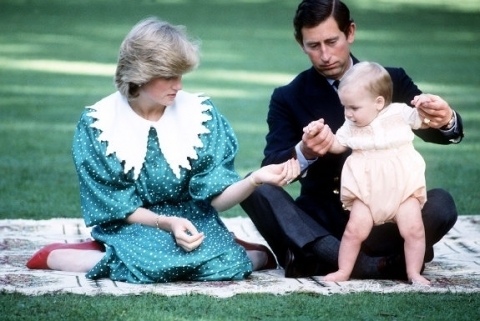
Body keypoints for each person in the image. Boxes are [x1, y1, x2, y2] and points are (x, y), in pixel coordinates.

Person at [26, 17, 301, 284]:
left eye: (181, 75)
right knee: (155, 265)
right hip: (133, 223)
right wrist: (166, 223)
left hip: (193, 219)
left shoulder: (200, 116)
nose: (179, 85)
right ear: (140, 75)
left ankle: (220, 247)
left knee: (232, 265)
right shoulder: (100, 123)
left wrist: (254, 179)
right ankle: (80, 254)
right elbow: (115, 205)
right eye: (169, 76)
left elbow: (215, 199)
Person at [240, 0, 464, 280]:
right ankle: (371, 264)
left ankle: (323, 261)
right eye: (313, 45)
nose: (325, 55)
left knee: (442, 202)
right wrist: (305, 151)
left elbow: (435, 130)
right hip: (323, 225)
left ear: (350, 32)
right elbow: (271, 166)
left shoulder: (390, 80)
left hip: (390, 217)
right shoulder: (288, 96)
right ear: (301, 44)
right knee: (255, 185)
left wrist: (446, 119)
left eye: (332, 41)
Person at [319, 61, 430, 285]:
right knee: (353, 231)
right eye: (345, 107)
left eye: (354, 108)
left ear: (378, 102)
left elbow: (423, 121)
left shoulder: (399, 113)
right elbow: (338, 144)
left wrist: (424, 104)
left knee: (415, 230)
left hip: (403, 187)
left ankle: (414, 272)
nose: (348, 114)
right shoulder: (350, 126)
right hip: (366, 190)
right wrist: (321, 135)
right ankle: (343, 271)